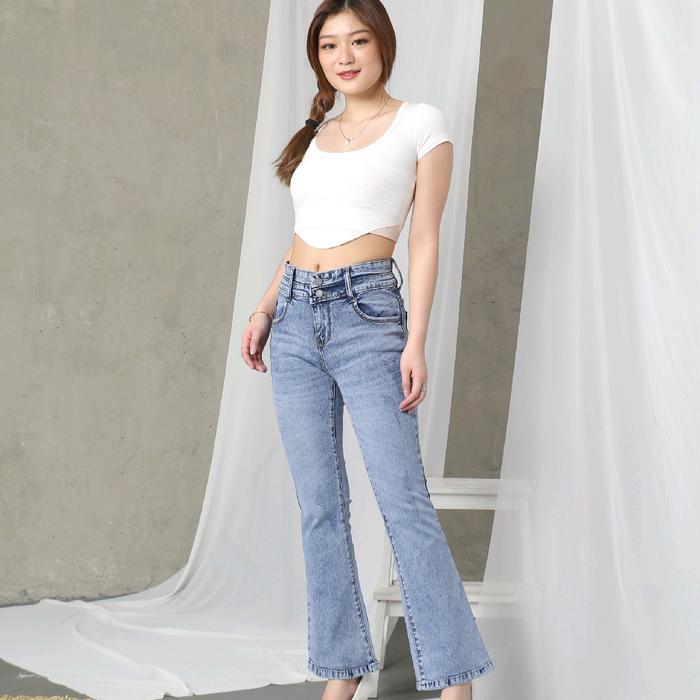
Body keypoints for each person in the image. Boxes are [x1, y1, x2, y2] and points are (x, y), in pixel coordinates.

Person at [240, 2, 494, 698]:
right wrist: (265, 308)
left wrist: (416, 339)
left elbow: (424, 236)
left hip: (368, 315)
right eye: (329, 45)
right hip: (295, 318)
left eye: (357, 41)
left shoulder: (420, 124)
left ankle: (454, 681)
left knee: (402, 501)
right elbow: (304, 235)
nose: (344, 56)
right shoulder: (316, 134)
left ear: (383, 45)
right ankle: (342, 669)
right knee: (319, 506)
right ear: (317, 57)